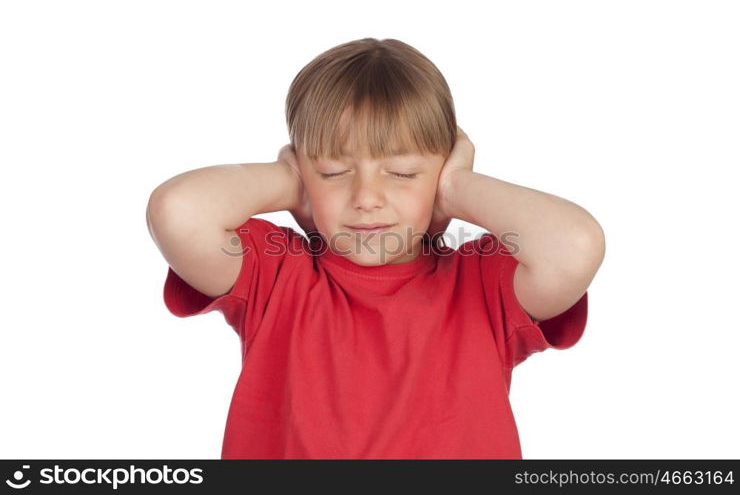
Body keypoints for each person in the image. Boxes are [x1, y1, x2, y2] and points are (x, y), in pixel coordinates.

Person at [146, 37, 605, 459]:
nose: (366, 198)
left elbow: (575, 245)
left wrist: (456, 189)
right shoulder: (275, 273)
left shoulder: (482, 283)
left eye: (403, 173)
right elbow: (177, 211)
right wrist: (287, 183)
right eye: (332, 172)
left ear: (442, 170)